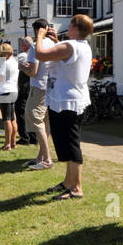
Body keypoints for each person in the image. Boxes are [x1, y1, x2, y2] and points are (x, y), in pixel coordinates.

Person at [32, 13, 93, 200]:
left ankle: (77, 187)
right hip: (70, 99)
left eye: (71, 24)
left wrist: (40, 37)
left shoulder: (70, 46)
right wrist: (56, 41)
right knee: (66, 143)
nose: (68, 27)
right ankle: (69, 181)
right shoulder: (81, 45)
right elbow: (65, 57)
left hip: (67, 101)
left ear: (75, 27)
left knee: (71, 144)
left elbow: (41, 55)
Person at [19, 20, 57, 169]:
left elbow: (33, 72)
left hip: (39, 87)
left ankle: (47, 159)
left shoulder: (36, 46)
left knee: (34, 118)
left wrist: (22, 68)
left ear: (36, 30)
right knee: (46, 122)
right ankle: (41, 157)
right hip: (52, 87)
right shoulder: (54, 44)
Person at [0, 42, 20, 150]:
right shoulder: (14, 62)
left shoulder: (6, 63)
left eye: (1, 54)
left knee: (6, 119)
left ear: (5, 53)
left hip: (5, 91)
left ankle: (7, 143)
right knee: (13, 118)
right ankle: (13, 142)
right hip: (14, 90)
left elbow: (0, 79)